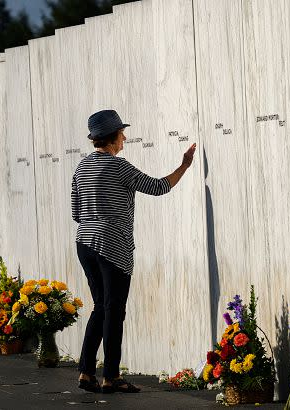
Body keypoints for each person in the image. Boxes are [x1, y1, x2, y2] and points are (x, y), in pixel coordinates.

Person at [71, 110, 196, 393]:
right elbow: (158, 187)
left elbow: (76, 212)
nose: (125, 137)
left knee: (100, 307)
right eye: (121, 133)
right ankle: (111, 376)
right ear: (112, 138)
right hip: (112, 245)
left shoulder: (81, 168)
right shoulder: (118, 167)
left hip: (85, 243)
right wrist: (184, 166)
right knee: (114, 312)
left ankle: (86, 372)